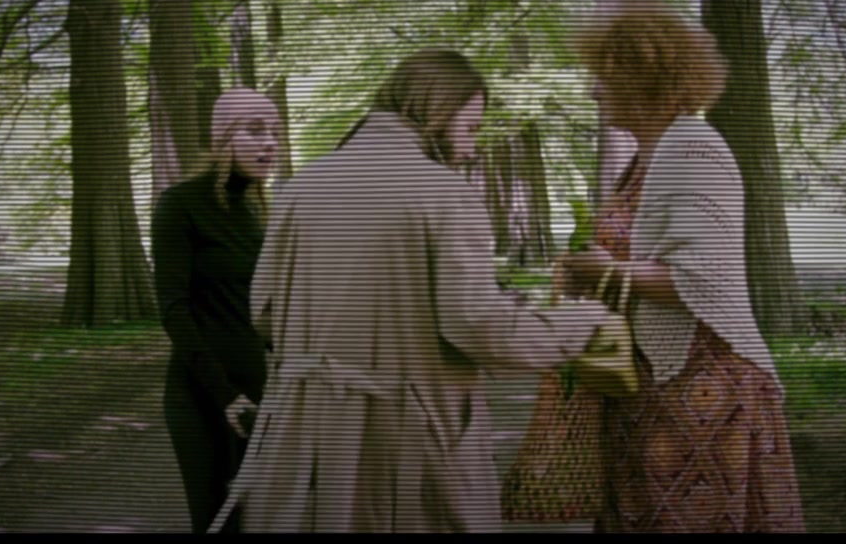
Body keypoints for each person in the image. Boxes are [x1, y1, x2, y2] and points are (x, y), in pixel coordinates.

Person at [227, 48, 611, 533]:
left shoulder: (301, 188)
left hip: (312, 436)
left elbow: (264, 313)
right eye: (469, 128)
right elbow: (479, 326)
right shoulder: (445, 194)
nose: (470, 148)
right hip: (411, 439)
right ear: (437, 110)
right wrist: (584, 322)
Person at [559, 1, 806, 532]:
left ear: (644, 77)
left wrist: (604, 272)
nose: (593, 91)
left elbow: (700, 279)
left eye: (604, 76)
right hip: (645, 389)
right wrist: (587, 274)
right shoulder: (641, 161)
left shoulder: (694, 148)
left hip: (701, 390)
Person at [150, 87, 282, 533]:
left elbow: (262, 311)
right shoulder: (179, 204)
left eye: (275, 132)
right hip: (203, 398)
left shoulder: (256, 214)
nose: (270, 142)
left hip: (257, 394)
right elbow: (174, 309)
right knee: (218, 523)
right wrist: (225, 395)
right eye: (255, 130)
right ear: (224, 137)